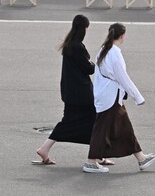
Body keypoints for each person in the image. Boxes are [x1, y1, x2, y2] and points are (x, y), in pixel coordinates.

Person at [34, 15, 113, 167]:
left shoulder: (69, 45)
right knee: (95, 122)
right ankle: (98, 155)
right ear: (84, 29)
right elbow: (89, 69)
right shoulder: (78, 46)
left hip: (70, 92)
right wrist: (99, 63)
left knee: (69, 122)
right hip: (82, 93)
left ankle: (45, 148)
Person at [84, 23, 155, 174]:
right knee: (102, 130)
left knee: (125, 128)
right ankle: (91, 162)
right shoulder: (114, 53)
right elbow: (123, 78)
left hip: (106, 96)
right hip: (110, 98)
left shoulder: (104, 49)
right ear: (122, 35)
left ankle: (141, 158)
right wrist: (137, 97)